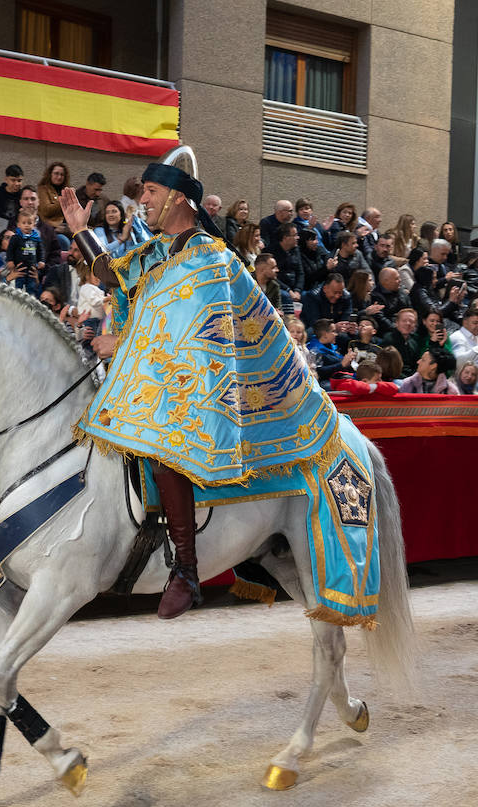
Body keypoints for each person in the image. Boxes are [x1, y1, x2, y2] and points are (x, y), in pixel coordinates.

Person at [62, 150, 343, 621]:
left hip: (205, 384)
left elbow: (192, 335)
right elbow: (111, 273)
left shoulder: (209, 257)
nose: (141, 202)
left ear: (177, 197)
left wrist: (123, 339)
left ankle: (187, 570)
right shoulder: (156, 250)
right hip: (165, 371)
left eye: (150, 192)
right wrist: (79, 228)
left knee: (163, 439)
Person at [36, 162, 69, 230]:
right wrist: (63, 200)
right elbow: (46, 211)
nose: (59, 177)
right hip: (52, 227)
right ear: (50, 174)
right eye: (56, 173)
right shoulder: (43, 189)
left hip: (68, 226)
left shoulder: (66, 190)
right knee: (64, 240)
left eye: (62, 175)